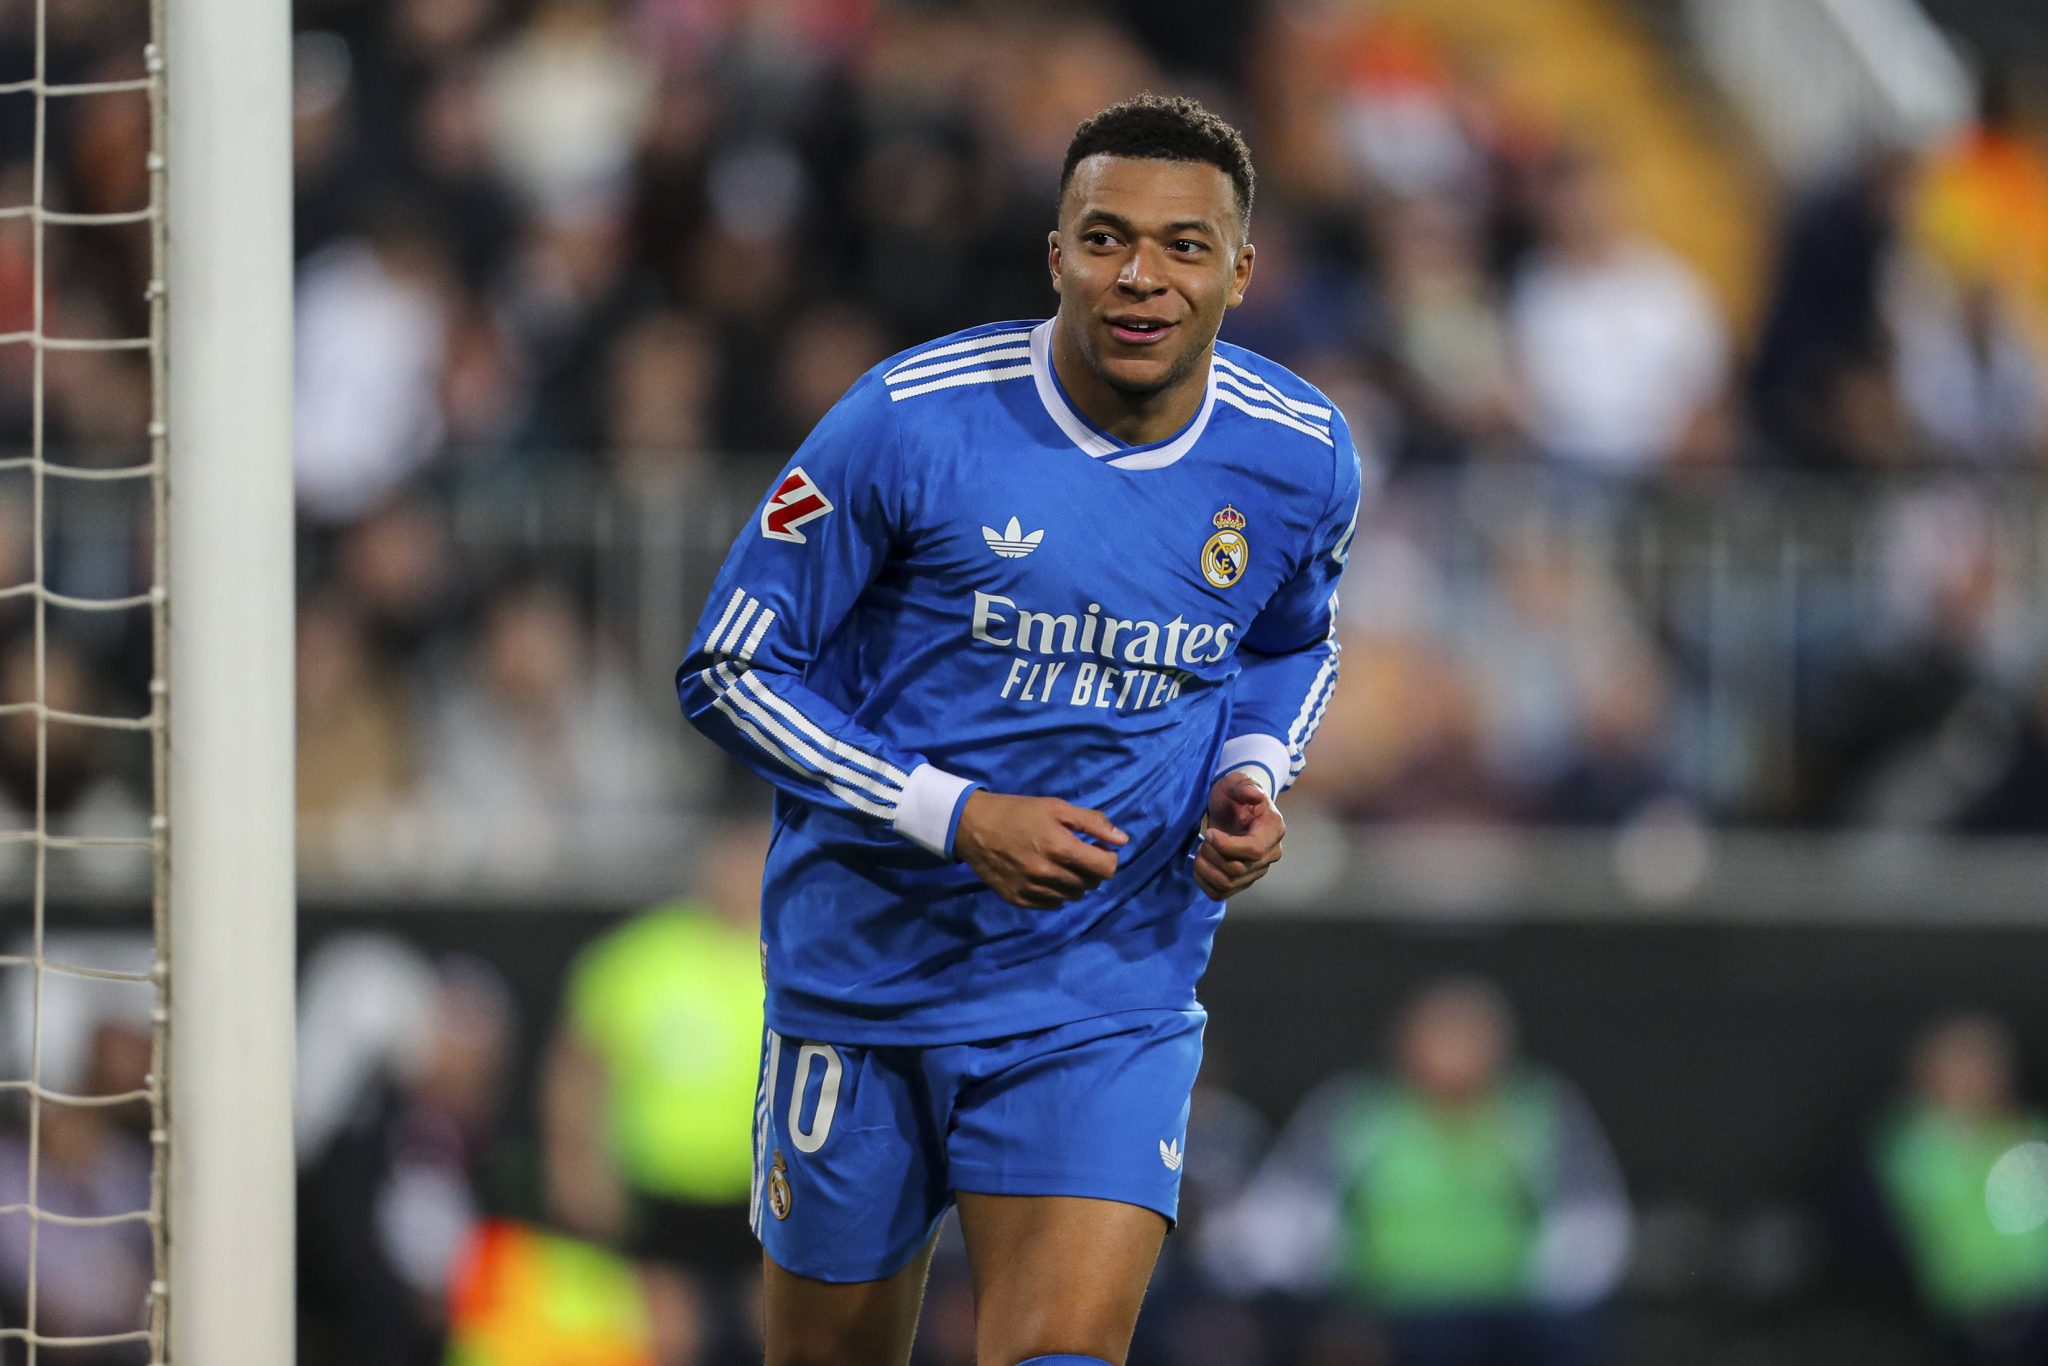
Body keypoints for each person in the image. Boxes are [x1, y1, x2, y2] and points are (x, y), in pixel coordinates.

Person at [675, 94, 1361, 1366]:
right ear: (1056, 255)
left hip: (1106, 983)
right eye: (1104, 239)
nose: (1140, 276)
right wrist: (953, 816)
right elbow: (726, 667)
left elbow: (1289, 642)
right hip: (868, 971)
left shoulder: (1299, 453)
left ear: (1241, 270)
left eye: (1183, 245)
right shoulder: (909, 419)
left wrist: (1252, 772)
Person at [1217, 978, 1630, 1366]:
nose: (1456, 1050)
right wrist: (1322, 1293)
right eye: (1441, 1035)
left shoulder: (1538, 1109)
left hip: (1512, 1310)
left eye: (1470, 1036)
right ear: (1405, 1043)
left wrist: (1557, 1288)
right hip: (1391, 1308)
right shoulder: (1358, 1110)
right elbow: (1287, 1209)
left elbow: (1592, 1211)